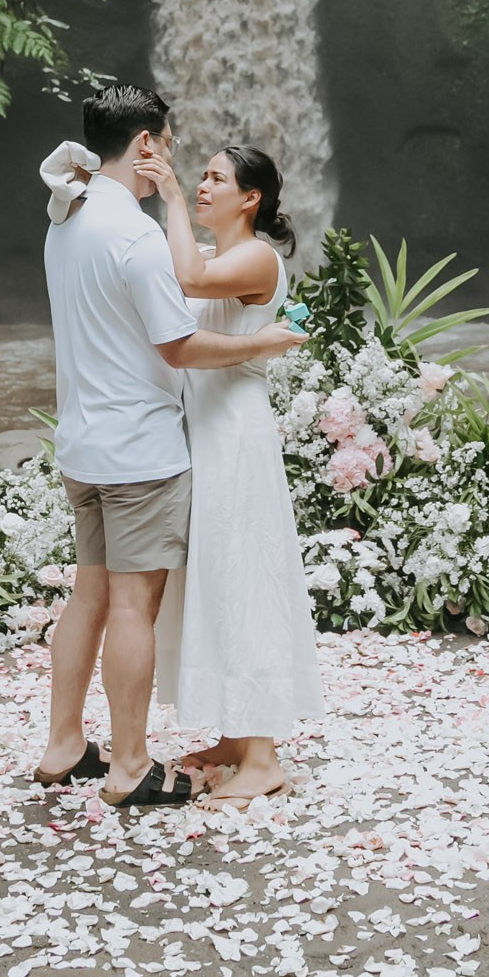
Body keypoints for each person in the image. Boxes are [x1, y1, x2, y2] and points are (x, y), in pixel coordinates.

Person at [34, 84, 306, 809]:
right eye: (177, 147)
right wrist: (262, 346)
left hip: (85, 440)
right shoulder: (134, 234)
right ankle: (128, 764)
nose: (191, 170)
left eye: (217, 175)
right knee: (131, 604)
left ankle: (65, 742)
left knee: (90, 594)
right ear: (147, 145)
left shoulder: (67, 217)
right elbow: (180, 344)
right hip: (141, 448)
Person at [143, 142, 326, 810]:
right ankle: (234, 731)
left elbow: (185, 278)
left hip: (239, 438)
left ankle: (265, 756)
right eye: (200, 175)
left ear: (250, 198)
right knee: (220, 579)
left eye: (216, 177)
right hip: (209, 436)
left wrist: (164, 194)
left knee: (246, 579)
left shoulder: (256, 257)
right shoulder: (224, 257)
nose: (201, 184)